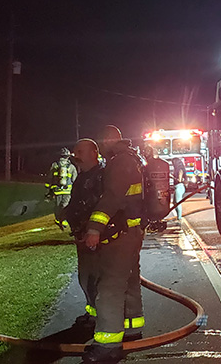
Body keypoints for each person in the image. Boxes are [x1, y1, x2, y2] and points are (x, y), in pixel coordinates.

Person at [82, 126, 145, 362]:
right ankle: (132, 327)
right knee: (129, 280)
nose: (100, 147)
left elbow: (111, 197)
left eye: (101, 141)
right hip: (131, 231)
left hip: (121, 235)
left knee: (109, 287)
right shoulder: (130, 158)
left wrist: (94, 228)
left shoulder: (119, 162)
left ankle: (107, 345)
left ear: (109, 140)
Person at [61, 139, 104, 328]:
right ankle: (92, 311)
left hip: (94, 238)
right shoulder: (83, 176)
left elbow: (99, 206)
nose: (75, 155)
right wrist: (67, 213)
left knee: (94, 278)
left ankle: (99, 316)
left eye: (80, 151)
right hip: (82, 236)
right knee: (85, 277)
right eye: (75, 151)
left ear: (94, 153)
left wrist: (93, 230)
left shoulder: (101, 176)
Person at [46, 147, 78, 230]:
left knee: (57, 206)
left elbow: (50, 177)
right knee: (65, 205)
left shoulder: (54, 165)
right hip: (67, 190)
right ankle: (63, 221)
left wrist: (48, 190)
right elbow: (75, 180)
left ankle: (58, 219)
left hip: (57, 190)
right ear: (68, 157)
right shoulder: (72, 167)